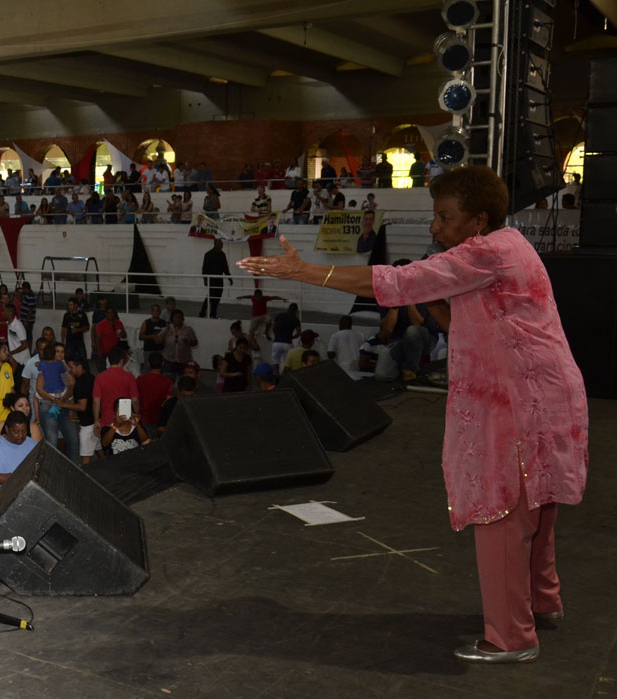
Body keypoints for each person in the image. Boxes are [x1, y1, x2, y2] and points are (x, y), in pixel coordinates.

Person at [237, 165, 589, 663]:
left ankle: (511, 637)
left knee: (501, 514)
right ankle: (543, 604)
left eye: (444, 218)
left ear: (478, 220)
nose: (435, 228)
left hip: (517, 406)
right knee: (537, 507)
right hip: (542, 398)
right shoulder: (510, 246)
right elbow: (460, 315)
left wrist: (302, 272)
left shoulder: (486, 252)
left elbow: (398, 282)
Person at [0, 412, 37, 491]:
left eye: (24, 432)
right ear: (7, 429)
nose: (20, 435)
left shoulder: (33, 445)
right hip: (5, 494)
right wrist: (17, 477)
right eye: (16, 432)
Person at [200, 239, 230, 318]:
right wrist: (205, 279)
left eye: (221, 244)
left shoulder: (222, 254)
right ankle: (202, 312)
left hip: (219, 279)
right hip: (211, 279)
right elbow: (204, 268)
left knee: (217, 298)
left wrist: (229, 277)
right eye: (219, 244)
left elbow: (225, 267)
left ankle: (213, 314)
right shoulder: (208, 254)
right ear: (215, 244)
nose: (221, 246)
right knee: (210, 297)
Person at [270, 303, 301, 374]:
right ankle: (284, 378)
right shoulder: (295, 319)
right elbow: (299, 333)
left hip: (277, 343)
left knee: (275, 360)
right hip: (288, 343)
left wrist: (277, 335)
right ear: (295, 311)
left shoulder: (279, 315)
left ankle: (276, 375)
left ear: (288, 308)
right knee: (288, 363)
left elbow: (273, 328)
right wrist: (293, 337)